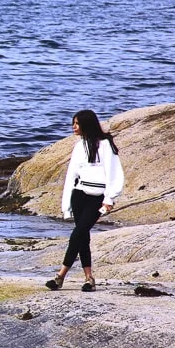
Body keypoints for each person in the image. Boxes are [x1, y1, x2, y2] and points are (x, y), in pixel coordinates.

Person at [45, 109, 124, 292]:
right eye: (73, 123)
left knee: (78, 233)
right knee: (82, 237)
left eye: (77, 124)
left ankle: (60, 276)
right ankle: (89, 279)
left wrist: (109, 198)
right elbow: (71, 175)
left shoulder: (105, 145)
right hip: (79, 194)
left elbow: (114, 173)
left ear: (86, 125)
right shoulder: (79, 146)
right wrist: (66, 205)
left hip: (97, 197)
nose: (73, 127)